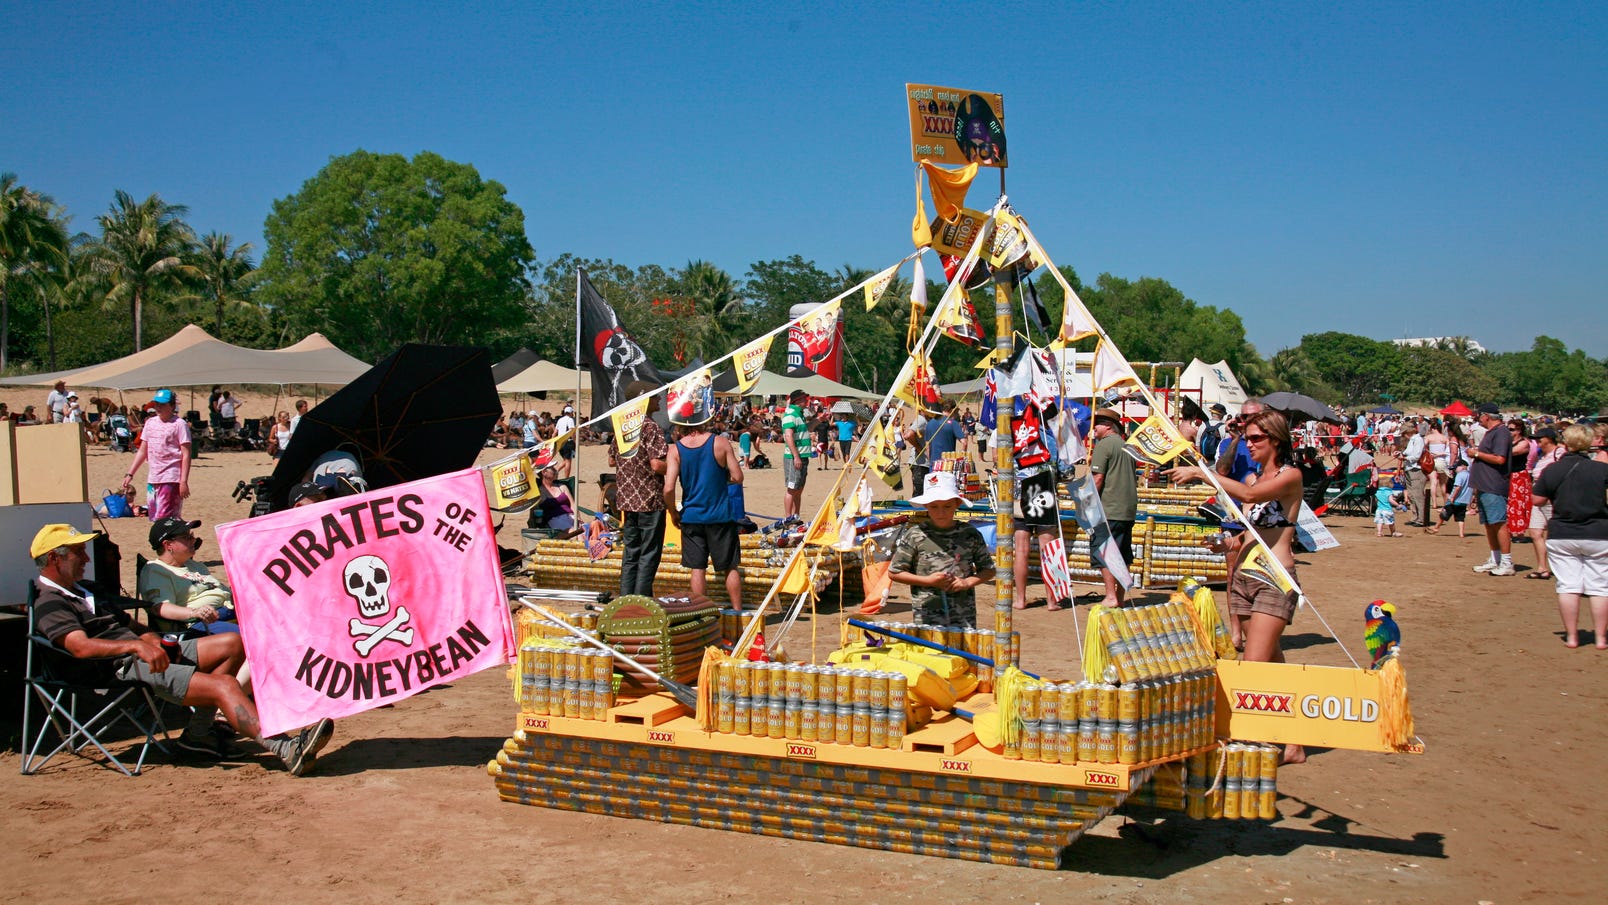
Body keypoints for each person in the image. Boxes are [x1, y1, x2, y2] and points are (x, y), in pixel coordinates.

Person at [29, 523, 333, 771]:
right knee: (223, 684)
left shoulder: (86, 590)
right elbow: (79, 648)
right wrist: (136, 648)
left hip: (144, 651)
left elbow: (128, 626)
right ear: (55, 559)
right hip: (119, 667)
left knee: (233, 643)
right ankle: (287, 749)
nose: (86, 558)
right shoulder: (50, 602)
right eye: (78, 552)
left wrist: (147, 637)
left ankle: (197, 736)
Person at [1168, 410, 1307, 764]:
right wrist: (1227, 544)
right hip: (1246, 575)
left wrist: (1202, 472)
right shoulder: (1257, 475)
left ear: (1276, 440)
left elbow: (1250, 494)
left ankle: (1248, 739)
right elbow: (1251, 528)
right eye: (1246, 437)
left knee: (1253, 665)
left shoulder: (1289, 476)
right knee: (1271, 663)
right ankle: (1293, 743)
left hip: (1273, 578)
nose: (1249, 444)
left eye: (1256, 438)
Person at [1530, 425, 1608, 649]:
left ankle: (1572, 637)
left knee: (1567, 586)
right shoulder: (1600, 469)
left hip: (1563, 532)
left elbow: (1537, 500)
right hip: (1598, 532)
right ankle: (1601, 639)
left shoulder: (1553, 469)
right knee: (1600, 587)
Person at [890, 472, 996, 628]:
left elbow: (988, 570)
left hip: (963, 617)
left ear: (957, 504)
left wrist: (966, 582)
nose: (941, 512)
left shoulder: (970, 534)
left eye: (947, 506)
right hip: (927, 616)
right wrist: (927, 581)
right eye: (934, 506)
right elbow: (894, 572)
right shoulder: (915, 535)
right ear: (926, 505)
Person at [664, 410, 745, 611]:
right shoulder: (720, 443)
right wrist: (720, 479)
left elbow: (668, 488)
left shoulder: (676, 450)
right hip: (720, 515)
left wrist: (673, 512)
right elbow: (738, 476)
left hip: (692, 515)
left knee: (697, 568)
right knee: (729, 566)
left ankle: (701, 613)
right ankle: (737, 612)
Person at [139, 517, 241, 638]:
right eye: (187, 537)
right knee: (253, 635)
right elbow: (160, 607)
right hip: (199, 624)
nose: (193, 540)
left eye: (191, 535)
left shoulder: (194, 565)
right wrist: (195, 612)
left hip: (232, 611)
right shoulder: (156, 571)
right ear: (168, 545)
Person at [1010, 400, 1065, 611]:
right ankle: (1051, 600)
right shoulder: (1054, 439)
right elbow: (1066, 471)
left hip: (1021, 493)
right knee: (1048, 549)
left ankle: (1020, 599)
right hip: (1045, 493)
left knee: (1021, 550)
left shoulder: (1018, 435)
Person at [616, 381, 668, 597]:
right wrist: (675, 465)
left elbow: (611, 459)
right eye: (656, 397)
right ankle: (641, 601)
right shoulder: (651, 427)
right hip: (649, 499)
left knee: (631, 553)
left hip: (627, 500)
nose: (660, 400)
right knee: (649, 553)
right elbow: (657, 465)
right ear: (645, 400)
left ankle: (626, 599)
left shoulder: (623, 426)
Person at [1088, 408, 1138, 608]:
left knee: (1105, 551)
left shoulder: (1104, 445)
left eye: (1097, 424)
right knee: (1123, 554)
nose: (1094, 428)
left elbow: (1097, 478)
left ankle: (1110, 596)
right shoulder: (1127, 446)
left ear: (1108, 425)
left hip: (1109, 508)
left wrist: (1088, 505)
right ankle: (1119, 597)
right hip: (1127, 508)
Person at [121, 388, 191, 522]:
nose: (158, 407)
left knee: (166, 518)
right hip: (153, 478)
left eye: (162, 404)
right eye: (156, 404)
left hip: (171, 477)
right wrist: (130, 474)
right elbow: (143, 451)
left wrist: (183, 481)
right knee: (154, 517)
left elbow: (186, 454)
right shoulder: (150, 423)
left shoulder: (179, 424)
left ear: (172, 406)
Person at [1468, 402, 1515, 576]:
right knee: (1489, 524)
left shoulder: (1501, 433)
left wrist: (1477, 454)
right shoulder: (1492, 432)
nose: (1479, 419)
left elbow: (1500, 459)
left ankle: (1506, 561)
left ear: (1486, 416)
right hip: (1484, 484)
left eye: (1480, 416)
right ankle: (1495, 558)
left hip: (1494, 484)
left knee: (1499, 523)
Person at [780, 390, 812, 523]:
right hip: (794, 457)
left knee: (799, 488)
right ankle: (788, 518)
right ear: (797, 401)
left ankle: (796, 516)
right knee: (792, 488)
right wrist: (796, 456)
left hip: (803, 456)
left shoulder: (800, 415)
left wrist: (818, 420)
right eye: (804, 399)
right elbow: (788, 436)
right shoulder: (790, 415)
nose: (807, 401)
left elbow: (806, 428)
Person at [1427, 460, 1473, 537]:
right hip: (1464, 501)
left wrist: (1452, 498)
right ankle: (1461, 533)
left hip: (1455, 500)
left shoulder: (1460, 475)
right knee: (1461, 518)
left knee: (1444, 514)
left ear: (1462, 466)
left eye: (1456, 468)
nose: (1455, 470)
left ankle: (1436, 527)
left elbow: (1457, 487)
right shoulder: (1469, 475)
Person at [532, 466, 580, 538]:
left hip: (571, 516)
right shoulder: (538, 492)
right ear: (544, 472)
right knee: (574, 533)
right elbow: (536, 512)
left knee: (589, 528)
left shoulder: (562, 487)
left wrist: (578, 518)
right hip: (555, 519)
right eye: (552, 469)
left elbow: (573, 504)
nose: (556, 470)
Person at [1399, 425, 1428, 526]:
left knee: (1418, 494)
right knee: (1411, 495)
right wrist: (1400, 454)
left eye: (1404, 434)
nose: (1403, 436)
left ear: (1408, 432)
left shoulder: (1418, 439)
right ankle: (1415, 516)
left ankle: (1422, 518)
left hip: (1416, 469)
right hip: (1408, 468)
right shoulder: (1412, 440)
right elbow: (1407, 452)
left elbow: (1416, 456)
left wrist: (1405, 458)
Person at [1373, 473, 1407, 537]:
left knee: (1379, 522)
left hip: (1379, 510)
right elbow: (1391, 500)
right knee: (1391, 522)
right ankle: (1393, 532)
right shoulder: (1389, 492)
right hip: (1387, 510)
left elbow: (1376, 500)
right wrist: (1398, 505)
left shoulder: (1378, 492)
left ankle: (1379, 532)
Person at [553, 406, 577, 479]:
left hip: (560, 442)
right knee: (568, 461)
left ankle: (556, 470)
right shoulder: (570, 420)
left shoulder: (560, 420)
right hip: (568, 442)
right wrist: (574, 440)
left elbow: (555, 432)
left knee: (565, 460)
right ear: (570, 413)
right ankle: (566, 477)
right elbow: (571, 431)